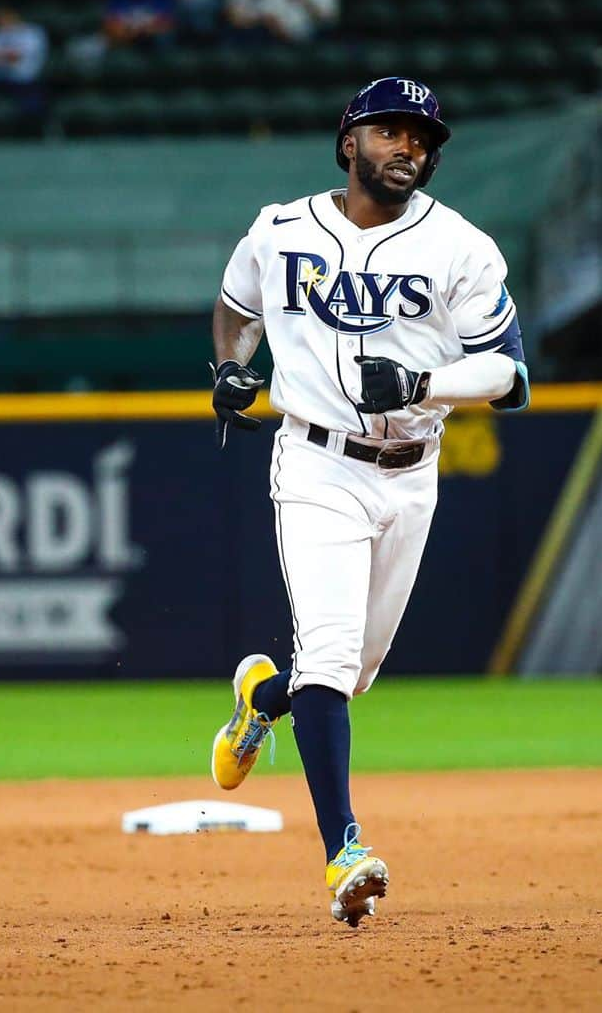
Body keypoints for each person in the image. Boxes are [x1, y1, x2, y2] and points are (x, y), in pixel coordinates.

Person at [208, 77, 529, 927]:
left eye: (423, 139)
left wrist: (426, 380)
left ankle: (259, 703)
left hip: (412, 470)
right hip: (315, 467)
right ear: (348, 142)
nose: (410, 148)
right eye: (391, 131)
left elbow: (508, 372)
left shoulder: (460, 246)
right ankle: (344, 850)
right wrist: (233, 369)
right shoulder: (280, 229)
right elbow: (236, 307)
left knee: (350, 673)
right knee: (332, 654)